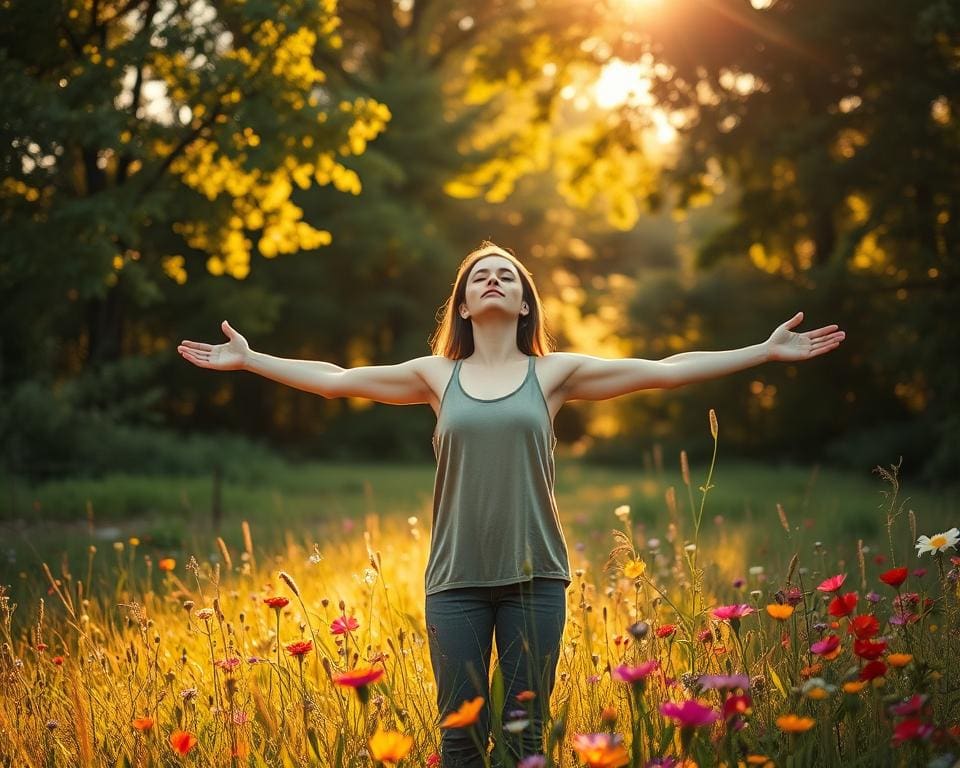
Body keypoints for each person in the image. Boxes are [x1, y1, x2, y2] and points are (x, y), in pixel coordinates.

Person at [177, 241, 845, 767]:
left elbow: (666, 370)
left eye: (507, 275)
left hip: (536, 581)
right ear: (464, 306)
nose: (493, 280)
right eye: (480, 276)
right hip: (455, 584)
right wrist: (251, 360)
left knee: (526, 738)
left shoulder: (553, 374)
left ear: (526, 304)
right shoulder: (434, 376)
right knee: (460, 739)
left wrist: (763, 352)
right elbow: (335, 380)